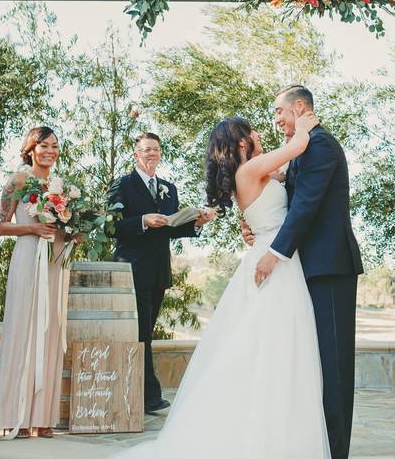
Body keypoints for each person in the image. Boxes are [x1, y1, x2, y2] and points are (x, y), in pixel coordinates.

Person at [112, 112, 329, 458]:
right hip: (273, 263)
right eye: (254, 131)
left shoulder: (253, 171)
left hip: (269, 257)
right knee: (272, 347)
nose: (262, 132)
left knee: (261, 347)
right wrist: (302, 122)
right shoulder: (251, 170)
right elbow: (299, 145)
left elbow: (282, 179)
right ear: (243, 142)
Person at [252, 85, 364, 459]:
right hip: (312, 268)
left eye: (279, 112)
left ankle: (335, 451)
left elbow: (307, 207)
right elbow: (294, 196)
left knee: (334, 365)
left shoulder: (320, 145)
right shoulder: (304, 147)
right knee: (317, 361)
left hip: (330, 267)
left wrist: (274, 253)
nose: (276, 119)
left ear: (299, 108)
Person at [106, 131, 214, 414]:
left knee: (146, 332)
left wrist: (196, 223)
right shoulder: (122, 184)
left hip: (158, 271)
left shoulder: (168, 188)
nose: (152, 154)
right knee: (140, 333)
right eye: (146, 150)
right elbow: (111, 227)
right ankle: (148, 395)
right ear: (136, 155)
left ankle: (139, 392)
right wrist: (142, 220)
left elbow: (172, 228)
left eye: (156, 149)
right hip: (130, 269)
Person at [0, 126, 73, 439]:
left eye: (54, 146)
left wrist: (73, 231)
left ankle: (43, 416)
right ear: (30, 149)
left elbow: (63, 223)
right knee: (23, 331)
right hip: (27, 259)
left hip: (54, 262)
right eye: (43, 145)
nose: (50, 151)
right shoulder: (18, 180)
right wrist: (32, 230)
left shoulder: (60, 186)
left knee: (50, 333)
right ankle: (16, 415)